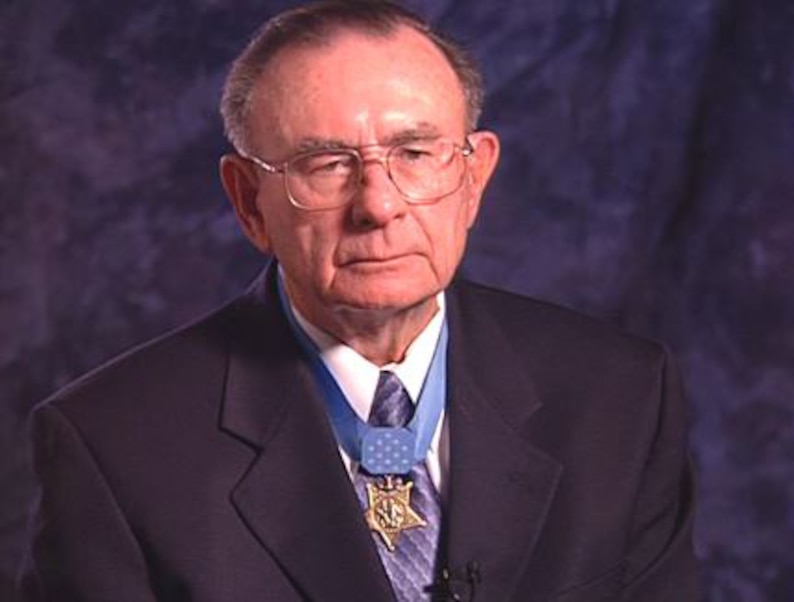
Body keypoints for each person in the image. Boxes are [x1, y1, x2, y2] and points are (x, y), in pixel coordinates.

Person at [18, 1, 700, 600]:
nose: (376, 205)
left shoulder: (621, 396)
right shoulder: (112, 446)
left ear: (473, 177)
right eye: (326, 164)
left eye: (413, 153)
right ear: (248, 202)